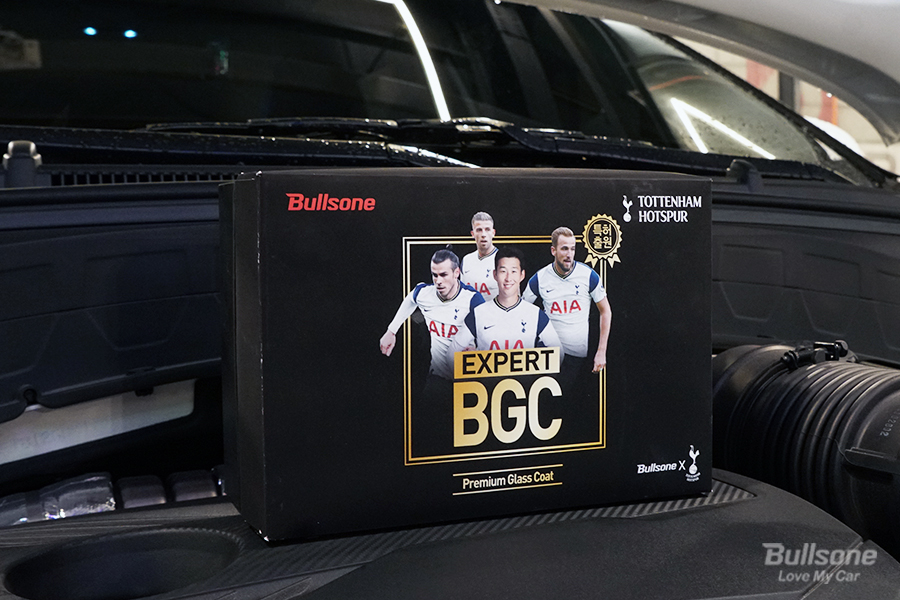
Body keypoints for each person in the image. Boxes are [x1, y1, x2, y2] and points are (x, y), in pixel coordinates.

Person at [380, 248, 484, 380]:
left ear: (456, 273)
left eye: (444, 275)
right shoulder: (424, 294)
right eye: (435, 275)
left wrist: (480, 352)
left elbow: (491, 331)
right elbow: (410, 300)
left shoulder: (473, 299)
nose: (438, 281)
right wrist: (391, 331)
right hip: (438, 376)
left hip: (468, 377)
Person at [523, 227, 612, 374]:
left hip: (577, 355)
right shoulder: (539, 279)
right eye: (564, 249)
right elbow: (521, 310)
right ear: (553, 251)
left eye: (572, 249)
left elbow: (606, 311)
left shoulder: (588, 276)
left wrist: (601, 351)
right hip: (548, 354)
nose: (569, 254)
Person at [453, 247, 560, 352]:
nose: (508, 278)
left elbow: (559, 353)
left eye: (513, 271)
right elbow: (451, 354)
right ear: (495, 275)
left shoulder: (535, 314)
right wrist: (471, 357)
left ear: (522, 275)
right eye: (503, 271)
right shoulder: (478, 314)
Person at [460, 211, 499, 300]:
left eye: (487, 229)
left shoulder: (503, 260)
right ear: (472, 234)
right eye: (479, 230)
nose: (483, 235)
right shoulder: (466, 260)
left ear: (493, 233)